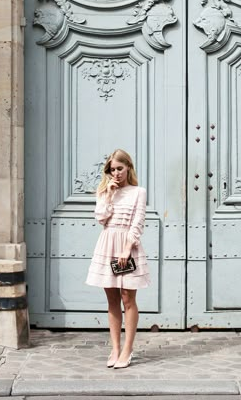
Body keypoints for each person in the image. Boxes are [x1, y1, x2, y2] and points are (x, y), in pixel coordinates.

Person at [86, 149, 150, 369]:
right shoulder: (104, 191)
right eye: (112, 170)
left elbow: (138, 222)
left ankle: (127, 349)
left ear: (128, 167)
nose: (116, 173)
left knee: (127, 299)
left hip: (127, 247)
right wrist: (110, 195)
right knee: (112, 300)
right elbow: (101, 218)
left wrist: (127, 248)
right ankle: (114, 348)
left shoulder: (138, 192)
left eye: (120, 169)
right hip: (107, 244)